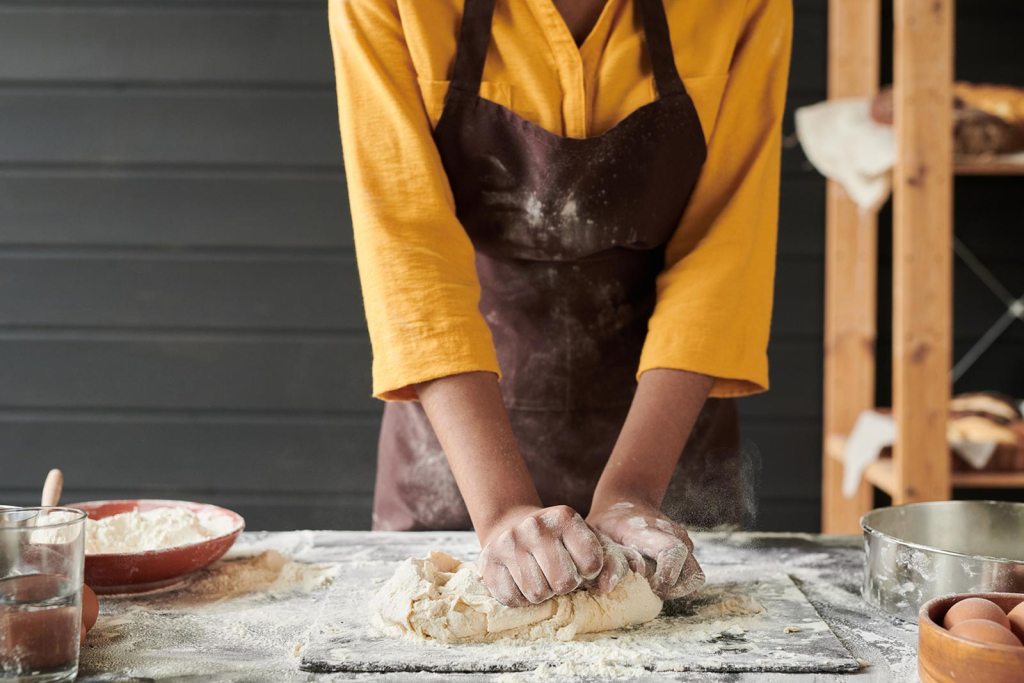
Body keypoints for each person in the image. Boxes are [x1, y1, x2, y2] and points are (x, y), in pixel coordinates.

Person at [328, 0, 791, 607]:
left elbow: (722, 253)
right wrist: (500, 510)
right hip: (462, 443)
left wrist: (633, 490)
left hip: (664, 428)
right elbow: (410, 251)